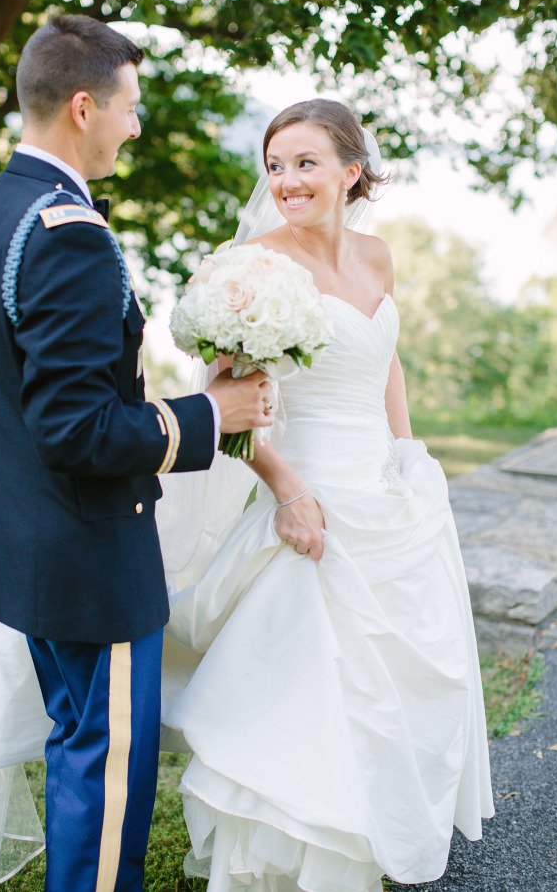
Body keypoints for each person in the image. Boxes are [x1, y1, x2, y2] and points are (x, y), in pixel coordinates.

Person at [0, 14, 274, 892]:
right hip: (88, 552)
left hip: (18, 539)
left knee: (76, 737)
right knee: (107, 765)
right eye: (131, 108)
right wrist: (210, 411)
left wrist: (16, 459)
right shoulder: (69, 235)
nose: (136, 127)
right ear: (84, 107)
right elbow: (80, 429)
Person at [158, 99, 495, 892]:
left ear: (351, 171)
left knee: (396, 689)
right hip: (308, 499)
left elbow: (386, 360)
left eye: (305, 163)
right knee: (308, 686)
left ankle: (372, 837)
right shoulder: (250, 269)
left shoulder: (378, 257)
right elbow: (228, 406)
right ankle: (289, 861)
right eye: (275, 165)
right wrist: (287, 492)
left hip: (388, 496)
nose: (285, 180)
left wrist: (407, 455)